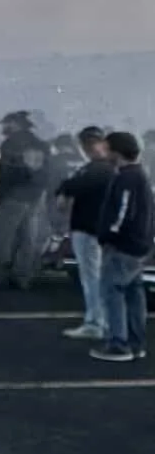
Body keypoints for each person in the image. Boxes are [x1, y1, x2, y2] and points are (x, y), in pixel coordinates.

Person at [90, 130, 153, 365]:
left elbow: (122, 213)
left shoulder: (126, 177)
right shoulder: (140, 175)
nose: (104, 153)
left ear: (116, 151)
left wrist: (107, 235)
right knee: (134, 294)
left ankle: (118, 344)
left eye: (107, 149)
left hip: (122, 246)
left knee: (112, 292)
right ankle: (136, 344)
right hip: (139, 246)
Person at [56, 126, 113, 341]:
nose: (89, 147)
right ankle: (99, 320)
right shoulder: (96, 167)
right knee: (93, 278)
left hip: (90, 229)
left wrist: (64, 190)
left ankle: (96, 322)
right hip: (90, 227)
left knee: (92, 279)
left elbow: (74, 183)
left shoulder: (100, 168)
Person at [0, 110, 50, 289]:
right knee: (27, 239)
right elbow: (45, 173)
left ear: (16, 124)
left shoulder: (11, 144)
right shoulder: (40, 144)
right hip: (33, 198)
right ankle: (22, 277)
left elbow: (5, 172)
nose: (4, 128)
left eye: (7, 124)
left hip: (13, 197)